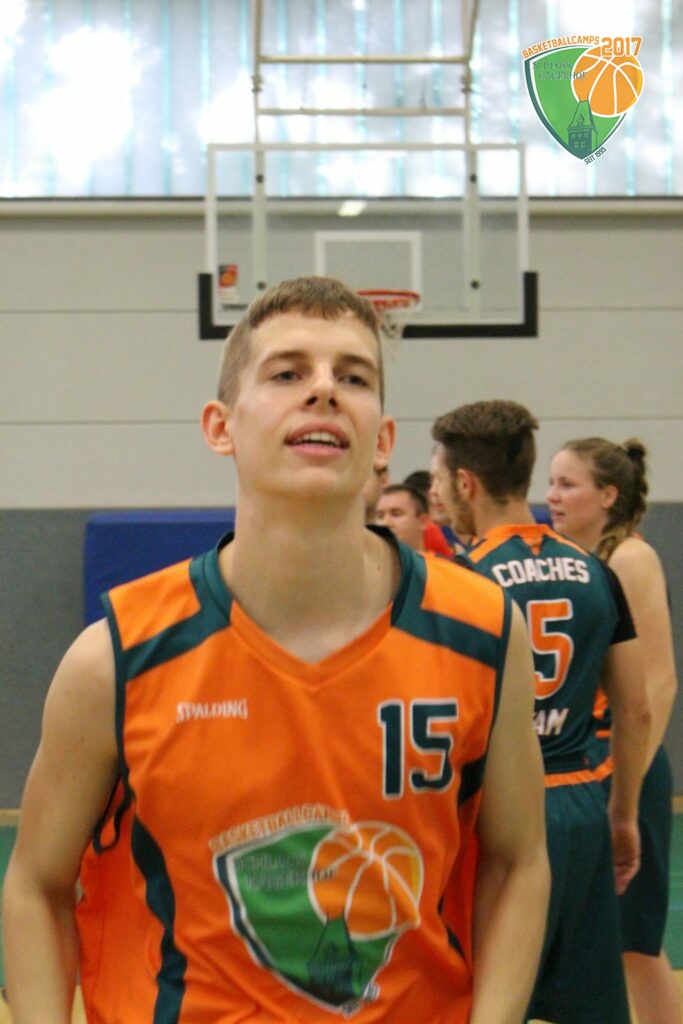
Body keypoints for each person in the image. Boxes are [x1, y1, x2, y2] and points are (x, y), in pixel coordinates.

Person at [3, 277, 550, 1024]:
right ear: (220, 426)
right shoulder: (118, 657)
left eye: (352, 376)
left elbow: (517, 863)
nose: (323, 390)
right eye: (288, 373)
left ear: (383, 440)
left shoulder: (483, 631)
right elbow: (35, 884)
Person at [431, 399, 651, 1024]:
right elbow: (635, 709)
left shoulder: (459, 582)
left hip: (499, 817)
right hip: (581, 805)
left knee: (484, 1003)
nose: (437, 494)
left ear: (466, 483)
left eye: (440, 479)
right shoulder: (595, 571)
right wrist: (624, 813)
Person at [547, 437, 681, 1024]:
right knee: (602, 940)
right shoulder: (574, 560)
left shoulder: (630, 558)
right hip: (590, 764)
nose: (552, 496)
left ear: (607, 495)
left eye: (567, 484)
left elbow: (660, 682)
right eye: (550, 483)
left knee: (635, 941)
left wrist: (623, 780)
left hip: (624, 767)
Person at [374, 482, 430, 552]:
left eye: (396, 514)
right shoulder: (365, 558)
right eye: (380, 516)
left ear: (423, 521)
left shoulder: (438, 559)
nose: (385, 523)